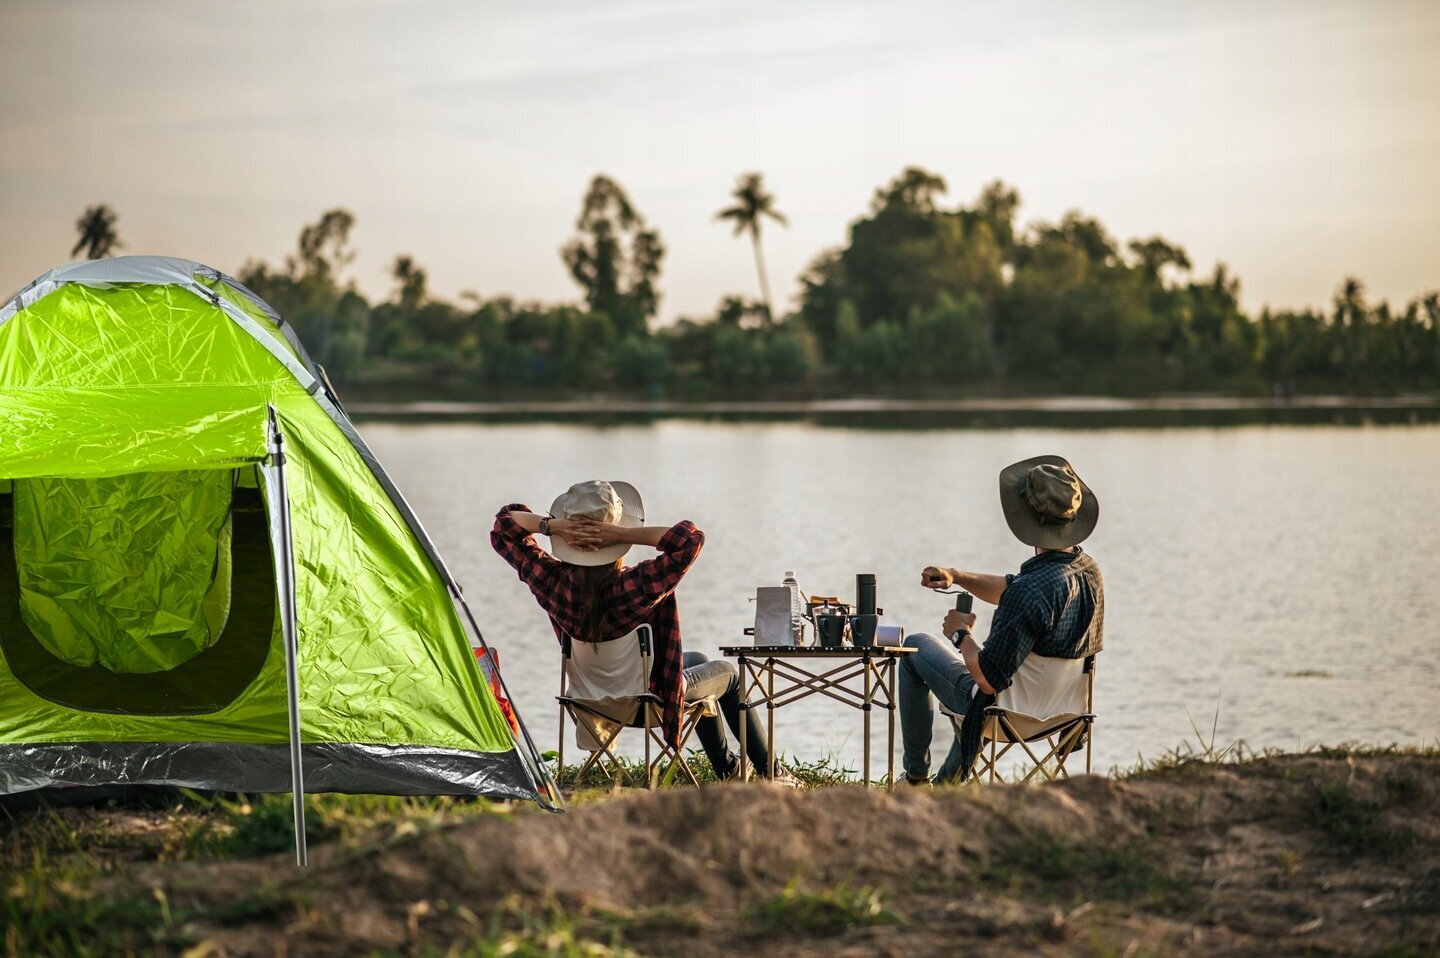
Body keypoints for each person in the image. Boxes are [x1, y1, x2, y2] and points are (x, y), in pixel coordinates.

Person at [491, 479, 795, 784]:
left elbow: (505, 524)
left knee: (698, 658)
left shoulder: (551, 582)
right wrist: (622, 534)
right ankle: (773, 773)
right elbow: (691, 539)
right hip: (649, 701)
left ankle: (730, 770)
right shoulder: (636, 585)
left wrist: (551, 527)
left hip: (590, 700)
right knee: (729, 674)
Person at [899, 455, 1105, 784]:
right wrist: (956, 575)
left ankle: (916, 779)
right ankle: (943, 788)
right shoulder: (1088, 573)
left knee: (915, 648)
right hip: (1062, 713)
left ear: (1025, 518)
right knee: (993, 689)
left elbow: (986, 679)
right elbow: (1012, 589)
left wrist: (961, 634)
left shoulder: (1029, 591)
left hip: (1005, 714)